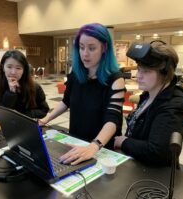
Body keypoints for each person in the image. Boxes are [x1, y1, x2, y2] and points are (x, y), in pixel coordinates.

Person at [39, 23, 125, 165]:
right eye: (81, 47)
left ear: (104, 48)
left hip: (100, 149)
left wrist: (94, 145)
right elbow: (65, 101)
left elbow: (112, 120)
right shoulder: (77, 73)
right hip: (75, 141)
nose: (85, 53)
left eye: (91, 48)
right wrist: (45, 119)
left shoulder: (116, 79)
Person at [114, 41, 183, 167]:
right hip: (138, 165)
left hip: (156, 176)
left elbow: (158, 152)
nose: (138, 76)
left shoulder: (174, 104)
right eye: (139, 70)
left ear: (165, 73)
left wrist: (124, 142)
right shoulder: (148, 94)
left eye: (146, 71)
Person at [0, 50, 49, 119]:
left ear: (24, 70)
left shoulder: (35, 87)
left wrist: (21, 115)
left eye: (18, 68)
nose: (13, 72)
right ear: (3, 67)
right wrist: (10, 93)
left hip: (26, 124)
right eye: (9, 67)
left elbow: (44, 110)